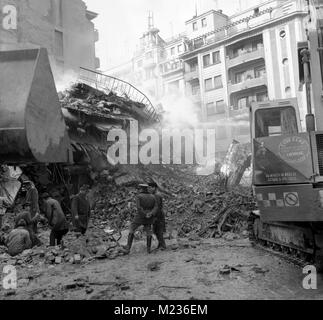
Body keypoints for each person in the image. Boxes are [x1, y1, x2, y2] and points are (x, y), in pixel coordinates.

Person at [124, 184, 158, 254]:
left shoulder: (138, 196)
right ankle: (148, 250)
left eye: (139, 189)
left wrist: (144, 214)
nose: (138, 190)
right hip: (150, 216)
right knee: (148, 231)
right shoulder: (153, 196)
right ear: (147, 189)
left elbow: (139, 208)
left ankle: (128, 248)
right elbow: (156, 207)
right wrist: (150, 213)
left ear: (141, 189)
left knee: (131, 228)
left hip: (140, 216)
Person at [149, 181, 166, 250]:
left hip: (158, 215)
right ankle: (160, 245)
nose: (149, 189)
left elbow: (157, 207)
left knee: (159, 231)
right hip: (157, 214)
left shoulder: (157, 195)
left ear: (154, 188)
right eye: (148, 188)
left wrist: (154, 215)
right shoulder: (154, 195)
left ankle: (163, 246)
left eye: (150, 188)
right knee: (156, 230)